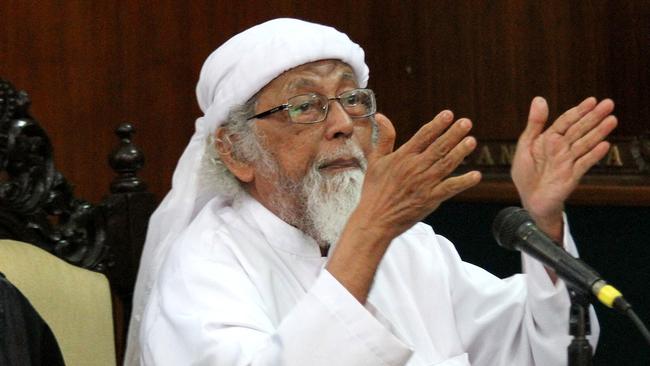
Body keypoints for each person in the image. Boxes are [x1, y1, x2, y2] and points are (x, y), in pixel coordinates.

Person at [125, 18, 617, 366]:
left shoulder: (410, 246)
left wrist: (545, 220)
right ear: (236, 151)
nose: (342, 124)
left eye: (352, 99)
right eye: (304, 105)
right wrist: (372, 229)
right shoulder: (204, 270)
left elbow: (537, 350)